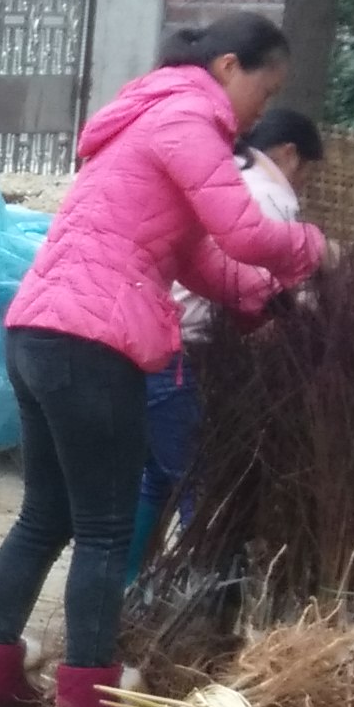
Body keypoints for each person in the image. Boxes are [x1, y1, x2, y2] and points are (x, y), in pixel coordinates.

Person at [0, 15, 327, 707]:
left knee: (46, 516)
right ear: (228, 66)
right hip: (94, 342)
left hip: (38, 331)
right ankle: (88, 701)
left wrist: (261, 295)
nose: (262, 107)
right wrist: (314, 250)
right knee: (102, 526)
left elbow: (200, 259)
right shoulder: (190, 118)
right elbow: (245, 233)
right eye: (265, 87)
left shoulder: (149, 119)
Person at [136, 104, 320, 557]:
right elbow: (265, 284)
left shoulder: (230, 180)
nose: (303, 183)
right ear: (291, 154)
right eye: (308, 172)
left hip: (156, 342)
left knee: (155, 476)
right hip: (192, 350)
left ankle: (130, 586)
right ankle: (204, 593)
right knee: (201, 480)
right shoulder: (273, 198)